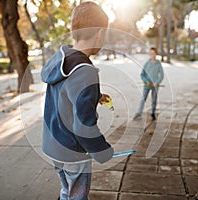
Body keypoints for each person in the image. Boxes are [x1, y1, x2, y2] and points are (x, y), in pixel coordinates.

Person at [41, 2, 113, 200]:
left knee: (67, 190)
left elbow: (65, 94)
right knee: (77, 196)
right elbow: (84, 126)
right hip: (74, 151)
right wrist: (102, 150)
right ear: (99, 33)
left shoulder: (61, 60)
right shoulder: (86, 71)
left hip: (53, 145)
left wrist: (95, 96)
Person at [133, 47, 164, 121]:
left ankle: (153, 113)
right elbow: (142, 74)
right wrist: (146, 80)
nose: (152, 55)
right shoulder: (147, 63)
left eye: (153, 54)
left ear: (156, 54)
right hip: (147, 85)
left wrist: (157, 82)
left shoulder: (158, 64)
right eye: (150, 54)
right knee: (143, 99)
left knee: (154, 100)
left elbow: (161, 75)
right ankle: (139, 113)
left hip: (155, 85)